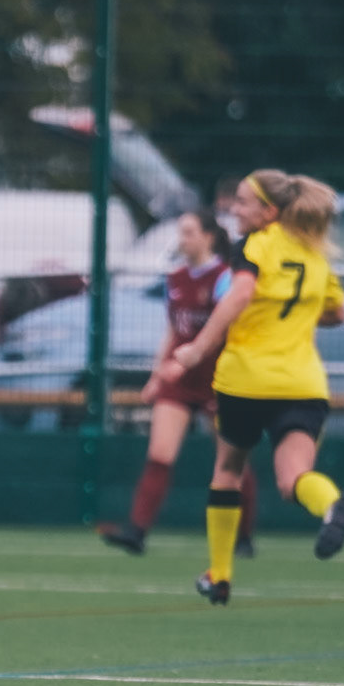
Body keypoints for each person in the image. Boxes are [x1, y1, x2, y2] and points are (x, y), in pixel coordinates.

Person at [158, 170, 344, 605]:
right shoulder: (315, 254)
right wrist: (294, 315)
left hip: (246, 381)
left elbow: (242, 293)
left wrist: (197, 349)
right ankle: (331, 505)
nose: (234, 209)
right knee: (293, 478)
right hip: (302, 383)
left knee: (228, 469)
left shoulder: (253, 246)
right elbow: (338, 314)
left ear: (269, 212)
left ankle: (220, 575)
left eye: (244, 202)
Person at [99, 209, 258, 557]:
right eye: (180, 232)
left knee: (230, 462)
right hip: (180, 378)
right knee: (160, 454)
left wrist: (191, 359)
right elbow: (174, 330)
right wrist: (158, 375)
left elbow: (225, 329)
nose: (181, 240)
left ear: (208, 237)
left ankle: (243, 536)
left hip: (219, 378)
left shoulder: (225, 278)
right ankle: (136, 531)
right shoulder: (175, 278)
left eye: (188, 232)